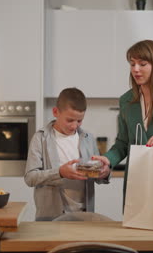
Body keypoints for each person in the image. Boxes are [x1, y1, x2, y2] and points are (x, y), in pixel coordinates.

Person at [93, 39, 153, 204]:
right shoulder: (126, 101)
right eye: (132, 64)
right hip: (136, 181)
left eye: (142, 64)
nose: (136, 69)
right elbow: (122, 143)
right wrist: (107, 159)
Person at [25, 87, 110, 221]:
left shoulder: (88, 138)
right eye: (70, 120)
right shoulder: (40, 138)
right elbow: (30, 178)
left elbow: (96, 176)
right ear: (55, 112)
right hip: (50, 218)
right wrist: (60, 172)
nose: (74, 126)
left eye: (79, 120)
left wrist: (103, 173)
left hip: (84, 216)